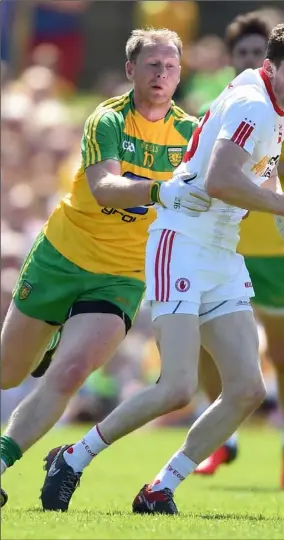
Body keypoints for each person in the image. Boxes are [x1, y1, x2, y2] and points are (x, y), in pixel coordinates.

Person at [39, 20, 284, 514]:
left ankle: (160, 488)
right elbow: (220, 180)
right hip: (180, 240)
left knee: (246, 387)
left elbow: (244, 175)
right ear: (271, 67)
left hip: (221, 247)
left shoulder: (272, 102)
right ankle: (72, 457)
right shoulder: (255, 105)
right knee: (177, 386)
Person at [0, 27, 210, 508]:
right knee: (9, 374)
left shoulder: (189, 134)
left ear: (180, 74)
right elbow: (105, 188)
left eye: (170, 66)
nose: (161, 74)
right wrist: (163, 190)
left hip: (122, 275)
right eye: (152, 65)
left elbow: (215, 187)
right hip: (62, 256)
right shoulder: (108, 119)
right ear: (130, 70)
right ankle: (52, 334)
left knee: (71, 371)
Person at [195, 10, 284, 489]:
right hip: (223, 242)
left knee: (280, 351)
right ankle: (220, 441)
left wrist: (268, 187)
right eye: (245, 54)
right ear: (239, 60)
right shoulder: (232, 103)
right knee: (203, 345)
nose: (251, 59)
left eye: (258, 51)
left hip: (272, 246)